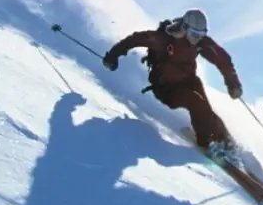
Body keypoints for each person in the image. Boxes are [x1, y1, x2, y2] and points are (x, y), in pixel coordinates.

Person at [102, 8, 243, 152]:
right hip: (166, 88)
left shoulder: (200, 43)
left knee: (205, 110)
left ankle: (226, 141)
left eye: (201, 35)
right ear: (185, 28)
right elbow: (134, 39)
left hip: (189, 81)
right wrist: (112, 56)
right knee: (196, 102)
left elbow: (223, 59)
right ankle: (207, 144)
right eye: (194, 34)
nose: (197, 38)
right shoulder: (164, 39)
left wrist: (233, 84)